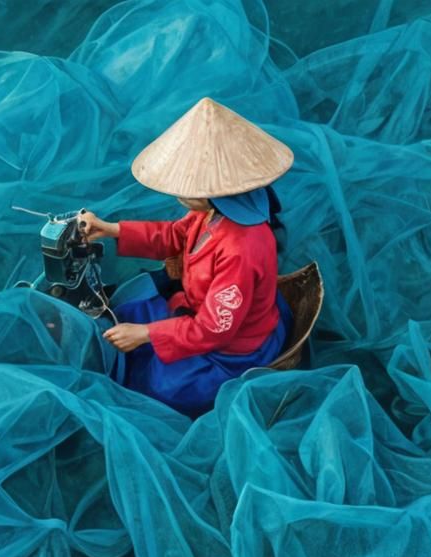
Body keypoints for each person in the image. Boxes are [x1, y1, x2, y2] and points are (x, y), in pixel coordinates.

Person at [78, 97, 294, 418]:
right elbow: (175, 235)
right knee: (125, 313)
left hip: (231, 349)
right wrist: (112, 230)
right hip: (198, 308)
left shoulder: (242, 250)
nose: (178, 192)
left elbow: (215, 329)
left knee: (160, 387)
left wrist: (147, 334)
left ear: (216, 191)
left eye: (187, 186)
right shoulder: (215, 212)